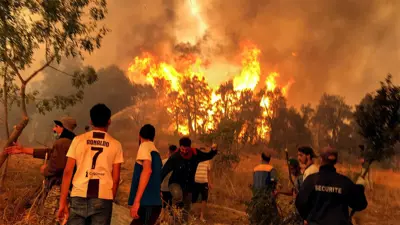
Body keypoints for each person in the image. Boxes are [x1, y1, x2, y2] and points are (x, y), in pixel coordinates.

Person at [57, 104, 124, 225]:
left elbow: (68, 171)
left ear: (91, 121)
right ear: (109, 121)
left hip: (78, 195)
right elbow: (116, 178)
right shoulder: (116, 144)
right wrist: (110, 199)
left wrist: (62, 202)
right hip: (103, 198)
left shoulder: (78, 140)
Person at [6, 116, 77, 224]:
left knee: (50, 218)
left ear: (64, 128)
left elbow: (58, 166)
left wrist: (45, 170)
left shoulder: (61, 143)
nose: (54, 129)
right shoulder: (72, 142)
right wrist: (23, 150)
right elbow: (49, 152)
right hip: (70, 188)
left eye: (56, 126)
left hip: (59, 188)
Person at [295, 147, 368, 225]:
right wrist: (360, 186)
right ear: (335, 161)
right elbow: (360, 204)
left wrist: (309, 218)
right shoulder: (344, 182)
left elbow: (300, 203)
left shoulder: (311, 180)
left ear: (321, 159)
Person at [161, 138, 218, 224]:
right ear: (180, 147)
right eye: (182, 149)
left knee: (187, 206)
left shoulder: (195, 154)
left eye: (186, 149)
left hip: (188, 186)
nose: (183, 151)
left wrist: (213, 151)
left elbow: (207, 156)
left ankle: (183, 222)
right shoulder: (175, 157)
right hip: (174, 184)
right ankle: (174, 213)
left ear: (189, 148)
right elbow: (164, 171)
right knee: (178, 196)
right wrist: (157, 185)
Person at [128, 124, 163, 225]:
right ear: (153, 137)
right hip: (153, 203)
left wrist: (136, 201)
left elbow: (147, 171)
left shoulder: (144, 146)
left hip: (147, 203)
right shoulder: (156, 151)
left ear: (139, 136)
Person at [191, 147, 212, 223]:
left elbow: (209, 172)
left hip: (204, 183)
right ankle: (195, 215)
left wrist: (209, 183)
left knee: (204, 199)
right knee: (194, 199)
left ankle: (201, 216)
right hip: (195, 182)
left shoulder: (207, 161)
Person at [160, 145, 177, 221]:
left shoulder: (163, 161)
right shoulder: (178, 162)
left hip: (163, 186)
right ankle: (170, 219)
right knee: (171, 204)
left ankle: (163, 218)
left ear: (169, 152)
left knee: (163, 204)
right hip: (173, 187)